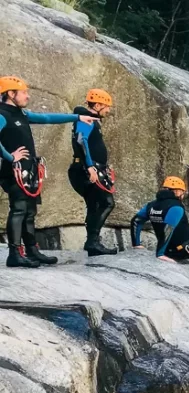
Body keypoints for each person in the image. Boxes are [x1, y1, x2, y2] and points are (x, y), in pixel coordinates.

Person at [0, 76, 98, 267]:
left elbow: (46, 118)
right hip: (15, 170)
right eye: (23, 93)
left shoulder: (20, 113)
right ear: (11, 94)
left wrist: (77, 117)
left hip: (29, 170)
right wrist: (11, 157)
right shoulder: (2, 114)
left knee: (29, 211)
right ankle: (14, 254)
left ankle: (32, 250)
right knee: (19, 210)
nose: (27, 96)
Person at [69, 88, 117, 256]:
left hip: (91, 167)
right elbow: (81, 142)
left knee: (94, 204)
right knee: (107, 202)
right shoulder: (87, 119)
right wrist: (90, 166)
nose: (108, 110)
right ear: (97, 105)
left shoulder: (93, 120)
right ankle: (92, 241)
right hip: (85, 169)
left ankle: (92, 243)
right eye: (106, 106)